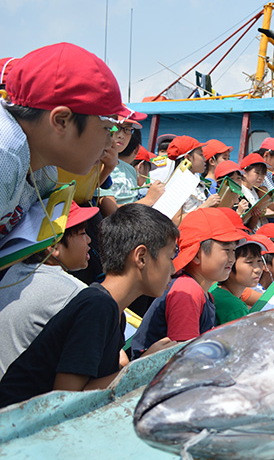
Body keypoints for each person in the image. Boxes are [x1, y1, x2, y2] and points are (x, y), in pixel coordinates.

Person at [0, 204, 179, 408]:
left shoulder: (112, 310)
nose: (173, 269)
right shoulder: (98, 306)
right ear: (141, 257)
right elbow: (67, 399)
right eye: (170, 257)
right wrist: (144, 366)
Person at [0, 42, 129, 239]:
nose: (108, 145)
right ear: (61, 121)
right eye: (106, 129)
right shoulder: (5, 156)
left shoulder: (44, 172)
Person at [130, 207, 244, 358]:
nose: (232, 259)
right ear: (196, 254)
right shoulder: (187, 291)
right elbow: (185, 358)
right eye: (226, 250)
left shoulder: (201, 292)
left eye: (234, 251)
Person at [0, 202, 98, 378]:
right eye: (83, 233)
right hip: (24, 400)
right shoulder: (73, 292)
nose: (89, 240)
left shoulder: (14, 270)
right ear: (53, 247)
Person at [97, 121, 164, 214]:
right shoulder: (97, 166)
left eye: (127, 129)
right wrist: (149, 200)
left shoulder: (130, 169)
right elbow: (111, 212)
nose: (121, 135)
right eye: (116, 127)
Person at [211, 237, 267, 325]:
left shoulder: (216, 289)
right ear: (229, 264)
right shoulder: (235, 307)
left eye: (259, 261)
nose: (257, 269)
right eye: (249, 262)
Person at [167, 135, 220, 222]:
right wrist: (206, 205)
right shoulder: (177, 185)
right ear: (188, 158)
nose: (204, 159)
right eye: (201, 155)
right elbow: (176, 221)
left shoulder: (196, 182)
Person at [239, 152, 269, 230]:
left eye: (263, 174)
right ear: (244, 173)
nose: (260, 177)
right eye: (257, 173)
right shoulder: (240, 191)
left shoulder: (254, 190)